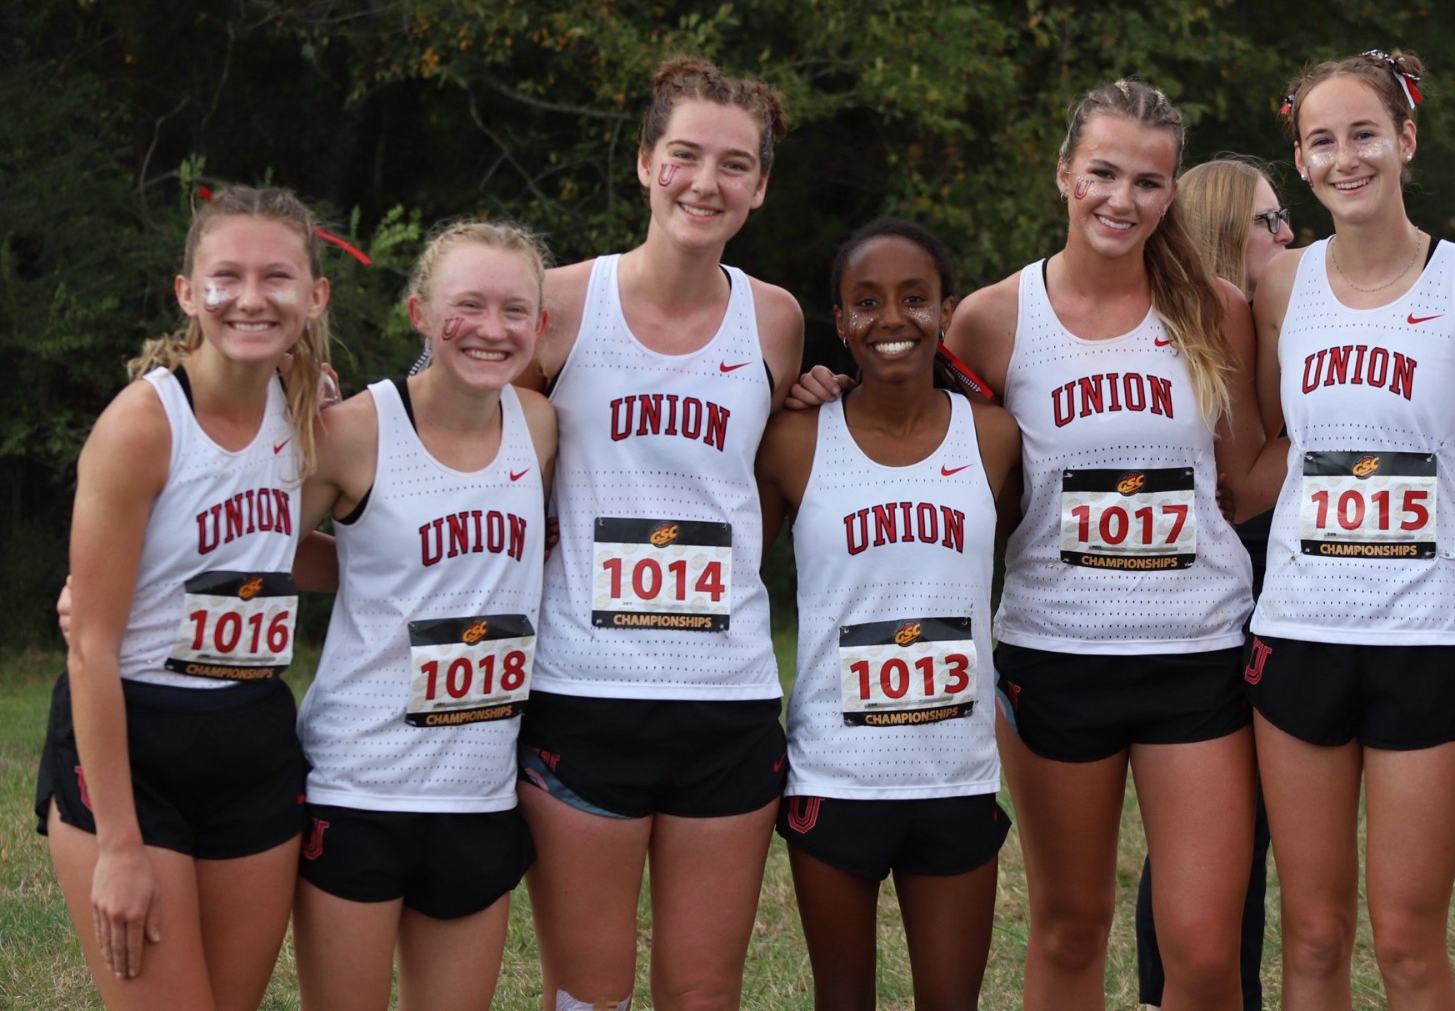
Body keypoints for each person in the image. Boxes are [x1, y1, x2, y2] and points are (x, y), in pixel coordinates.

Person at [958, 77, 1273, 1011]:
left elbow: (1244, 477)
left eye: (1147, 181)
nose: (1120, 200)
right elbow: (958, 480)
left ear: (1171, 193)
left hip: (1195, 652)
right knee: (1070, 927)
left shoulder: (1213, 310)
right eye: (1102, 173)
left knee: (1206, 951)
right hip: (1057, 654)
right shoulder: (991, 318)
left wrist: (1349, 446)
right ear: (1064, 174)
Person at [1246, 50, 1455, 1010]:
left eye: (1363, 134)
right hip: (1301, 630)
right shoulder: (1281, 290)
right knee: (1314, 935)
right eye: (1321, 142)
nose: (1345, 158)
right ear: (1300, 161)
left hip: (1428, 637)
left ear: (1406, 140)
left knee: (1409, 942)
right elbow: (1257, 434)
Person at [515, 56, 804, 1011]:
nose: (705, 183)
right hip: (584, 689)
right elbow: (455, 449)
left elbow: (766, 481)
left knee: (702, 990)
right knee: (589, 991)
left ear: (759, 186)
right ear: (646, 162)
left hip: (726, 698)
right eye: (684, 156)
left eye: (734, 165)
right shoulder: (554, 306)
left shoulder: (775, 320)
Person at [35, 185, 331, 1010]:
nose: (249, 297)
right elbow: (89, 644)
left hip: (252, 739)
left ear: (315, 295)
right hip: (136, 739)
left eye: (276, 277)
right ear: (186, 292)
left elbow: (267, 555)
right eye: (225, 275)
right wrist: (120, 847)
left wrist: (416, 568)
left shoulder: (307, 408)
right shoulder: (144, 423)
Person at [288, 220, 556, 1010]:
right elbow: (258, 551)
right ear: (419, 314)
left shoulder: (539, 427)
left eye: (515, 310)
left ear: (540, 326)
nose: (492, 328)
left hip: (478, 794)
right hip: (359, 787)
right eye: (468, 304)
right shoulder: (353, 433)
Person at [757, 218, 1022, 1011]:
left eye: (915, 298)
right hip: (837, 774)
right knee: (843, 1000)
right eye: (865, 302)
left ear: (946, 310)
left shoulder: (993, 437)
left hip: (955, 772)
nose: (892, 319)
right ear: (839, 321)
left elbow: (1022, 542)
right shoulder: (795, 440)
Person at [1131, 153, 1292, 1011]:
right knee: (1216, 834)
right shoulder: (1198, 326)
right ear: (1229, 230)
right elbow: (1234, 485)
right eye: (1269, 220)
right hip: (1228, 573)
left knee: (1234, 835)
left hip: (1285, 570)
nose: (1288, 234)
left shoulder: (1283, 319)